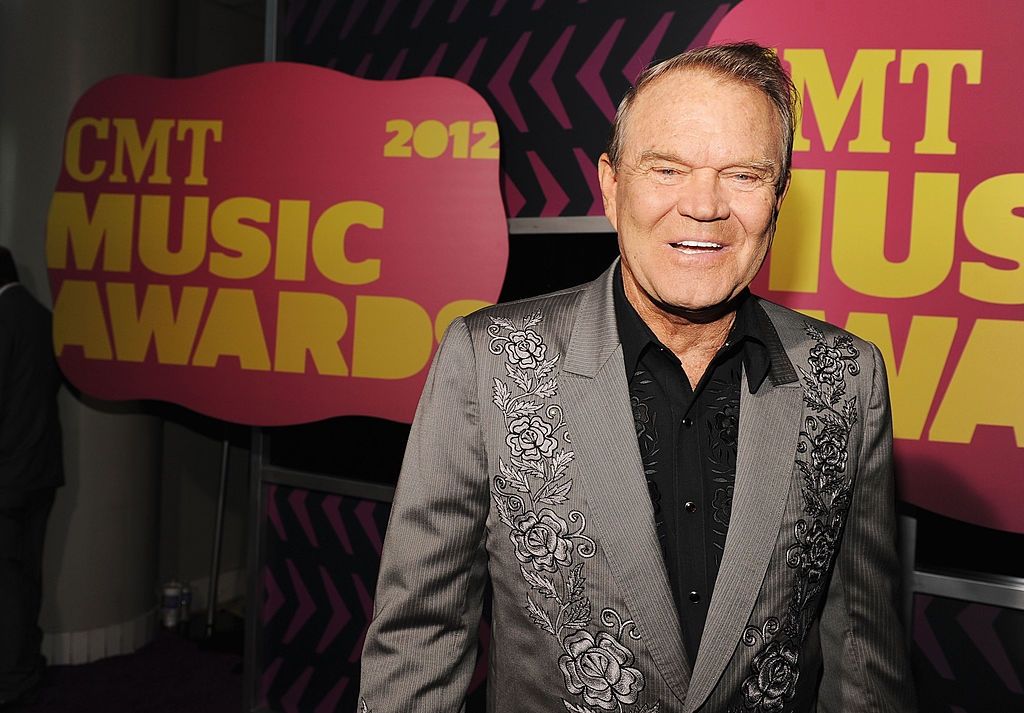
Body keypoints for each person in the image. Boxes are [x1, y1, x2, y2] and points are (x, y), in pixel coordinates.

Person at [358, 42, 915, 712]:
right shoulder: (489, 359)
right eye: (668, 169)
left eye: (743, 175)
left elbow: (864, 661)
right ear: (613, 184)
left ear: (778, 198)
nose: (704, 206)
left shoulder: (846, 378)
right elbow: (421, 639)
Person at [0, 247, 64, 710]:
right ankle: (23, 664)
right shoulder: (44, 318)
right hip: (41, 471)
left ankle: (13, 678)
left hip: (6, 476)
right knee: (27, 577)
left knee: (6, 582)